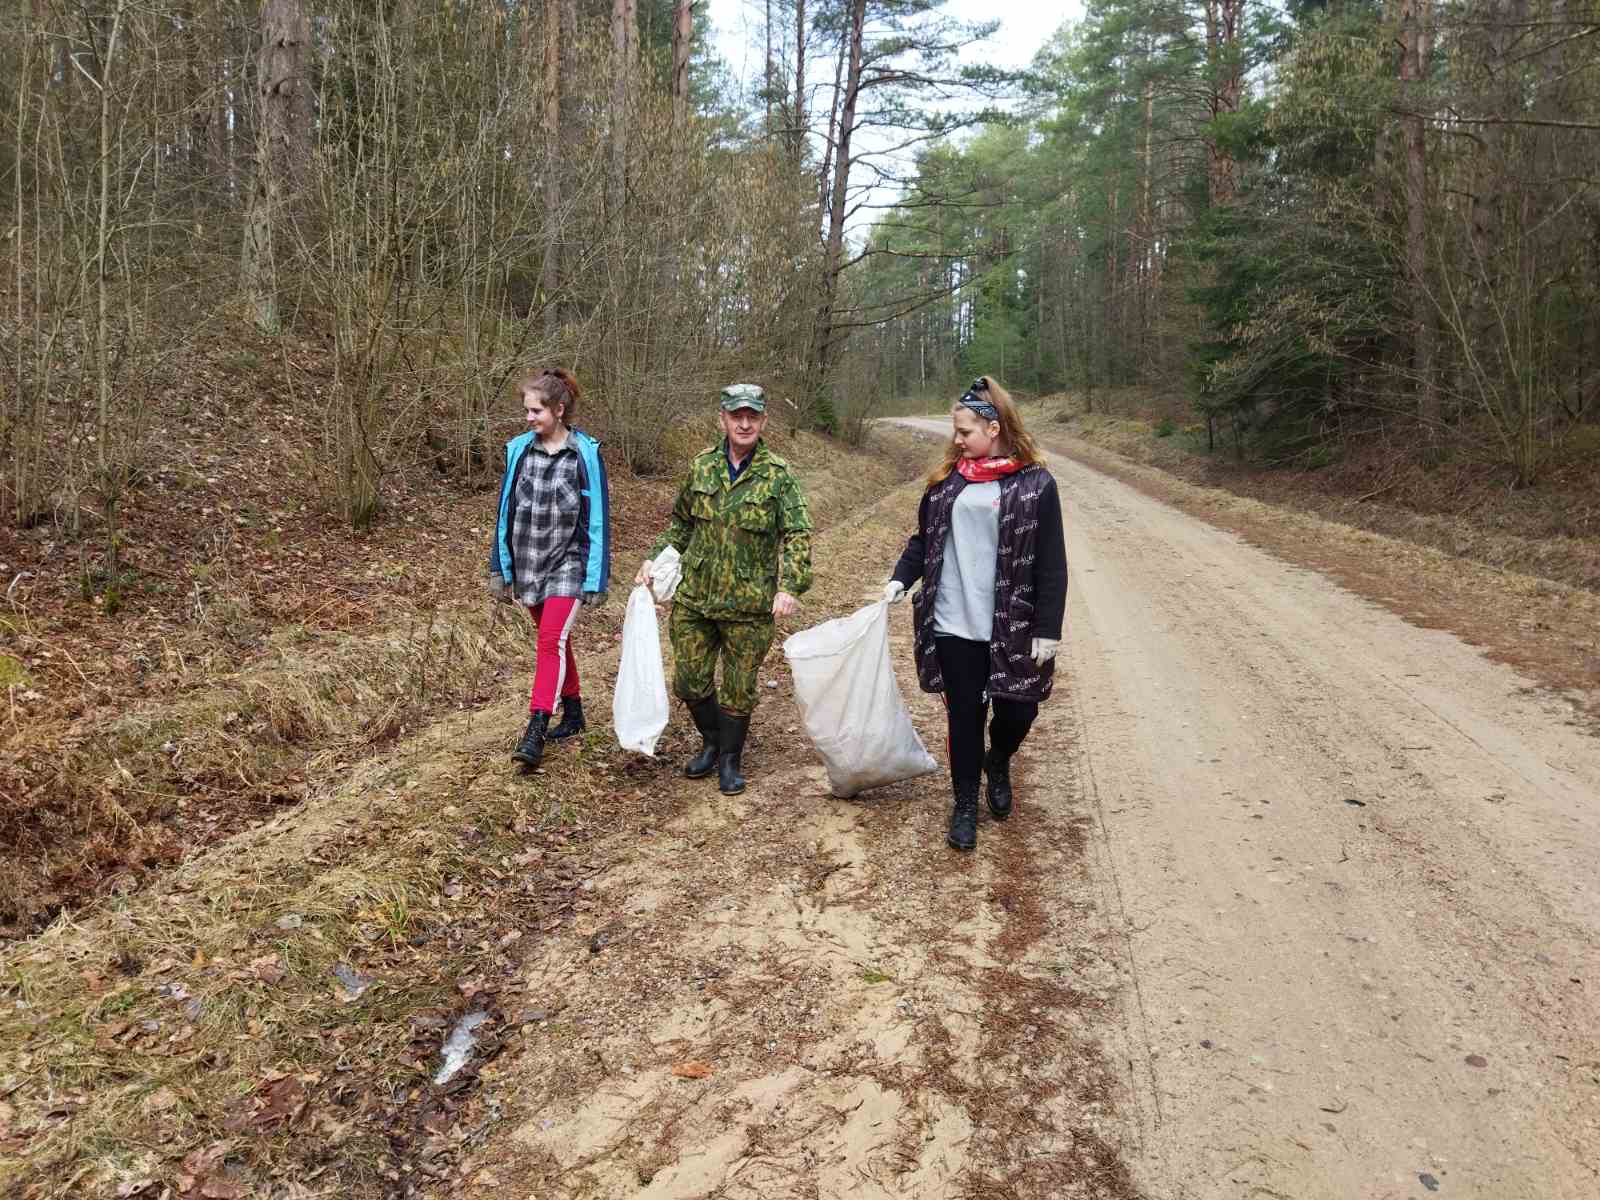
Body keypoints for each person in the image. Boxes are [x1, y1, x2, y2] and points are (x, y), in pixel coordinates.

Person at [884, 376, 1067, 851]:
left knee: (1019, 709)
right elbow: (923, 539)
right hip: (953, 621)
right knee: (964, 717)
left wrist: (1048, 628)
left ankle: (999, 758)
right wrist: (901, 578)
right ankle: (964, 803)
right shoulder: (947, 482)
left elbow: (1052, 563)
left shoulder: (1036, 485)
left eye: (965, 431)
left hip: (1013, 623)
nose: (958, 439)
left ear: (994, 427)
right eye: (956, 431)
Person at [636, 383, 812, 795]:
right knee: (689, 681)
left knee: (738, 688)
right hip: (696, 598)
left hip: (749, 603)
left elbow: (798, 533)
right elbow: (681, 524)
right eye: (737, 416)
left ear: (763, 420)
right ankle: (712, 742)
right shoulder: (701, 467)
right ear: (723, 419)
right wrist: (654, 558)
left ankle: (730, 759)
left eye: (752, 416)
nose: (744, 423)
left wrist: (790, 586)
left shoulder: (779, 475)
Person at [487, 367, 612, 771]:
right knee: (554, 640)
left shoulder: (585, 454)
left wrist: (596, 576)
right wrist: (500, 565)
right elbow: (504, 512)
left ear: (558, 410)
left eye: (536, 410)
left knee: (550, 640)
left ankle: (537, 726)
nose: (529, 417)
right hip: (529, 561)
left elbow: (598, 519)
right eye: (526, 410)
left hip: (568, 563)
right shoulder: (518, 451)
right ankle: (573, 712)